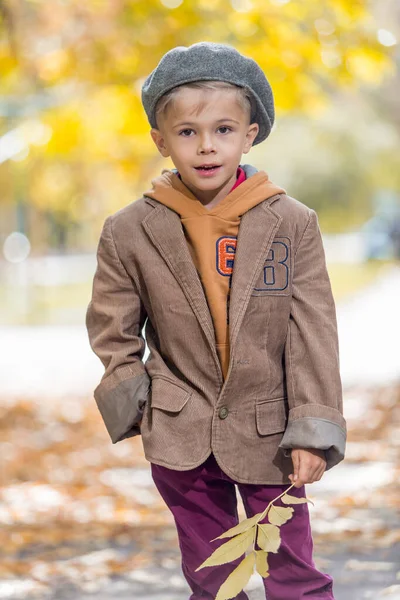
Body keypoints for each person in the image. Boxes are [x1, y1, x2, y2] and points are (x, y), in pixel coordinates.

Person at [86, 42, 347, 600]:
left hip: (271, 433)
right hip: (180, 435)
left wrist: (313, 431)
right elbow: (112, 324)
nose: (206, 145)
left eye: (224, 129)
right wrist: (136, 403)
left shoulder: (291, 222)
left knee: (293, 576)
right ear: (160, 139)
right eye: (187, 132)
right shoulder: (129, 229)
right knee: (213, 582)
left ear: (250, 134)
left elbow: (312, 331)